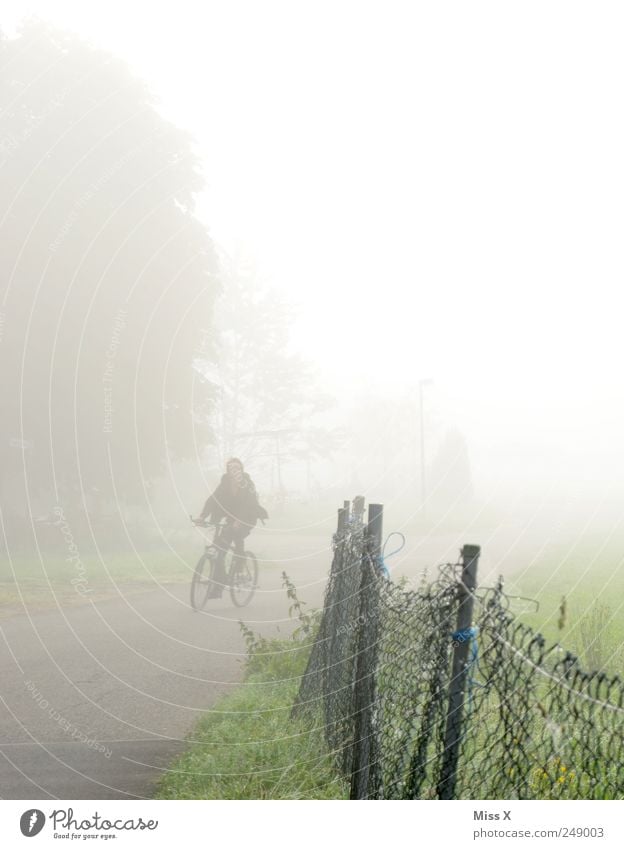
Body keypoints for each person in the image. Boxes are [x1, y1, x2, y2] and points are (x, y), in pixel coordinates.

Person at [198, 458, 268, 597]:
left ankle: (240, 568)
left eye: (237, 467)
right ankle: (220, 582)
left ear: (241, 469)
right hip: (231, 519)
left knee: (237, 535)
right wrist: (202, 516)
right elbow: (214, 499)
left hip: (247, 518)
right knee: (216, 551)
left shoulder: (247, 484)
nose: (234, 470)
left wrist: (239, 520)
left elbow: (248, 504)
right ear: (228, 471)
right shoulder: (224, 483)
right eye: (231, 468)